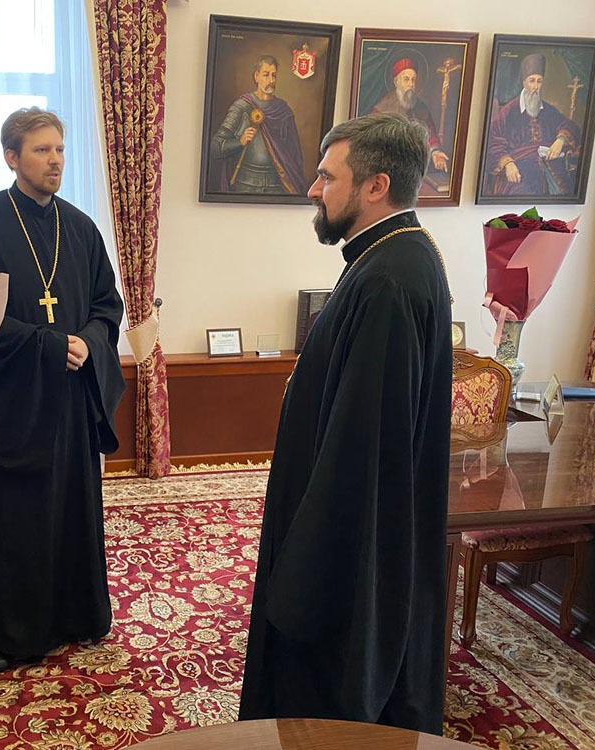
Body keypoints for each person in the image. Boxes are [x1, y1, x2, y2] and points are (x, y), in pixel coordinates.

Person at [239, 113, 453, 734]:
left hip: (344, 555)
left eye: (328, 177)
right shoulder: (390, 255)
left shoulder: (389, 279)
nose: (314, 189)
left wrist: (304, 575)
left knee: (325, 702)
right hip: (346, 526)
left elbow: (363, 450)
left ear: (375, 186)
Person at [0, 107, 126, 672]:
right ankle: (1, 632)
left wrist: (89, 343)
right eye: (42, 150)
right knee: (9, 516)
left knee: (69, 507)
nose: (55, 161)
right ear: (12, 157)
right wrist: (47, 345)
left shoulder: (81, 227)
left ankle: (74, 613)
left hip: (68, 397)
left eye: (60, 149)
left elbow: (107, 304)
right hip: (7, 400)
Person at [484, 53, 581, 196]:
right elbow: (492, 142)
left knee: (565, 192)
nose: (535, 86)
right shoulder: (507, 112)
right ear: (524, 83)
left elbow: (569, 125)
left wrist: (561, 140)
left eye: (539, 81)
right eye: (532, 81)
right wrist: (508, 163)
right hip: (518, 170)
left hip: (550, 168)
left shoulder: (548, 110)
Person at [209, 55, 307, 194]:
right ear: (256, 76)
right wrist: (239, 142)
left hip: (276, 186)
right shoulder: (241, 107)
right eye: (266, 75)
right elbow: (215, 147)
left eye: (274, 75)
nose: (271, 80)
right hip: (245, 184)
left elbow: (295, 156)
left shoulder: (284, 111)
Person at [371, 57, 449, 172]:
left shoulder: (421, 108)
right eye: (406, 80)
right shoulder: (382, 108)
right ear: (396, 82)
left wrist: (435, 152)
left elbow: (430, 134)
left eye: (413, 80)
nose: (411, 84)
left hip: (416, 168)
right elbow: (372, 140)